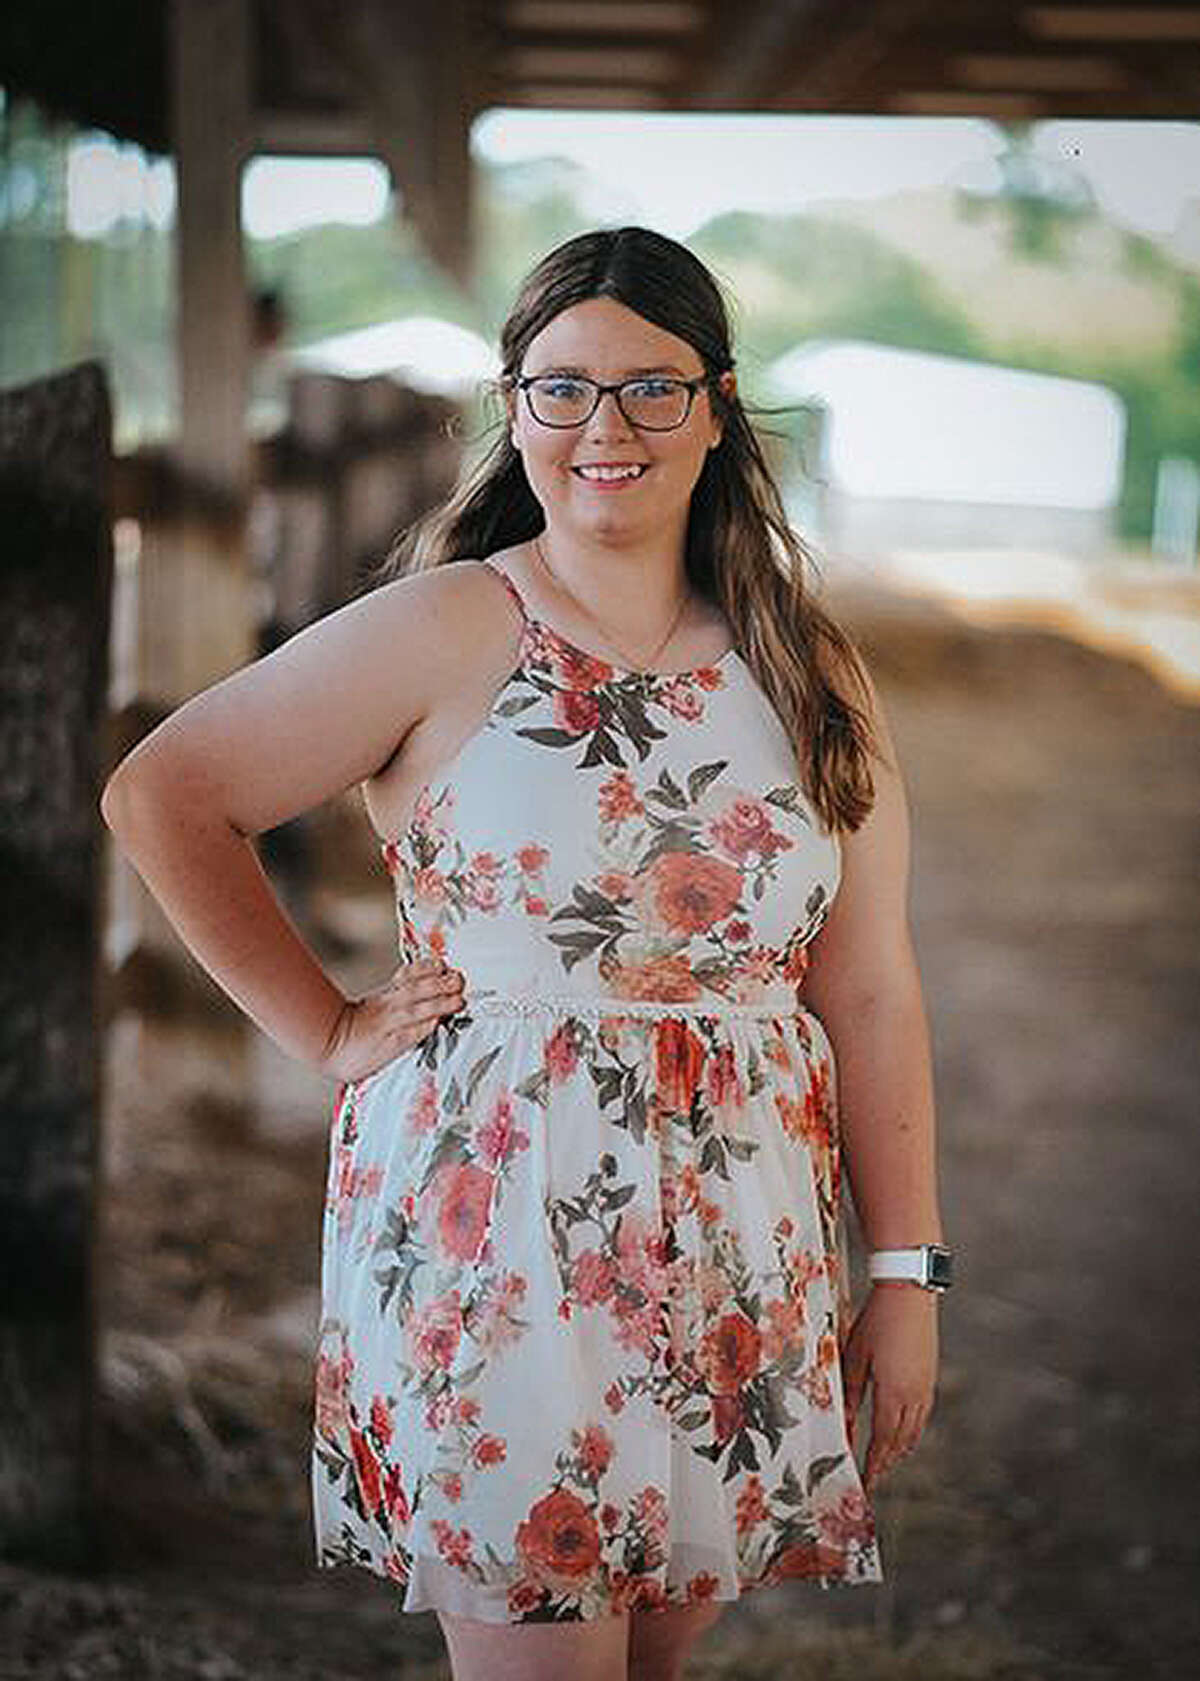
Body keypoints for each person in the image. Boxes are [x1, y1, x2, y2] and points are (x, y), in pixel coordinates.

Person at [101, 226, 948, 1681]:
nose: (600, 427)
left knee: (654, 1666)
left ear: (719, 403)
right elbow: (165, 793)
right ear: (512, 407)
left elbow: (867, 983)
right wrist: (323, 1029)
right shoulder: (449, 625)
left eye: (648, 388)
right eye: (559, 388)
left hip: (745, 1250)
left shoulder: (807, 663)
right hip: (500, 1245)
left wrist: (907, 1269)